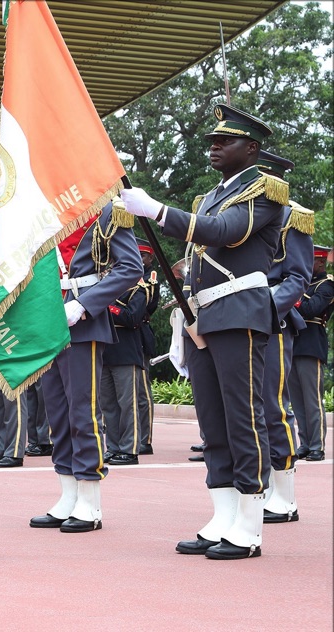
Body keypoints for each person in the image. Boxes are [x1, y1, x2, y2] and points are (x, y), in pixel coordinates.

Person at [121, 104, 286, 559]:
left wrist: (157, 210)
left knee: (243, 417)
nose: (214, 147)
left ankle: (249, 523)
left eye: (224, 141)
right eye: (212, 140)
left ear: (251, 148)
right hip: (204, 314)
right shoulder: (211, 194)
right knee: (212, 420)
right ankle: (223, 513)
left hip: (240, 311)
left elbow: (224, 232)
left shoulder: (265, 191)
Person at [29, 199, 141, 532]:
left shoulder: (106, 210)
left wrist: (83, 305)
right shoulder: (43, 211)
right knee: (57, 412)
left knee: (82, 411)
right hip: (48, 317)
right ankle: (68, 494)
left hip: (82, 317)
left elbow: (130, 267)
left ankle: (89, 499)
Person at [254, 151, 313, 523]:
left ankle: (285, 495)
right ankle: (257, 485)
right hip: (234, 320)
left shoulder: (292, 216)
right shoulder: (238, 213)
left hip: (271, 320)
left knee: (273, 406)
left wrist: (264, 309)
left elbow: (297, 277)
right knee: (246, 409)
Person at [99, 272, 151, 466]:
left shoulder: (137, 290)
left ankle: (129, 450)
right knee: (108, 406)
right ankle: (113, 447)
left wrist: (106, 305)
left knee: (127, 405)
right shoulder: (101, 290)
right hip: (105, 352)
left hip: (126, 352)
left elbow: (132, 318)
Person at [290, 246, 332, 462]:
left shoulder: (327, 285)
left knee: (312, 400)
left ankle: (317, 446)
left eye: (310, 260)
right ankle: (305, 444)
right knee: (297, 402)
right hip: (293, 345)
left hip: (311, 345)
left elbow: (310, 309)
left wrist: (292, 296)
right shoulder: (302, 284)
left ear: (320, 262)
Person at [136, 239, 159, 455]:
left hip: (139, 334)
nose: (139, 259)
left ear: (150, 258)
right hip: (121, 337)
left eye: (142, 255)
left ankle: (145, 439)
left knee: (142, 392)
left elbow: (147, 304)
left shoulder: (149, 277)